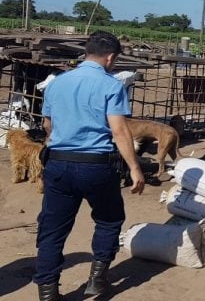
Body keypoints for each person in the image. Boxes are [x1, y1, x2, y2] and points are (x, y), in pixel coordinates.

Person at [34, 31, 145, 301]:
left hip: (58, 163)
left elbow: (47, 125)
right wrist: (134, 167)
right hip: (96, 165)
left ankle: (48, 292)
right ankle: (97, 279)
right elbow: (119, 130)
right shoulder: (111, 86)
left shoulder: (57, 83)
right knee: (109, 220)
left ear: (87, 53)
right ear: (110, 58)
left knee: (52, 228)